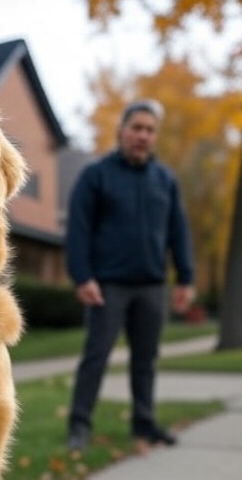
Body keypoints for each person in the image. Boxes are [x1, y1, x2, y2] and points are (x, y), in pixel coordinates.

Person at [66, 99, 195, 452]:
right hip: (107, 286)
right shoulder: (96, 175)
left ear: (155, 137)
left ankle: (145, 423)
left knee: (146, 359)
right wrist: (82, 277)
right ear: (121, 131)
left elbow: (178, 231)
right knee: (97, 356)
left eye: (150, 130)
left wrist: (186, 278)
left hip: (152, 285)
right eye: (137, 128)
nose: (143, 136)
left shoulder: (165, 180)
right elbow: (78, 231)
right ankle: (78, 426)